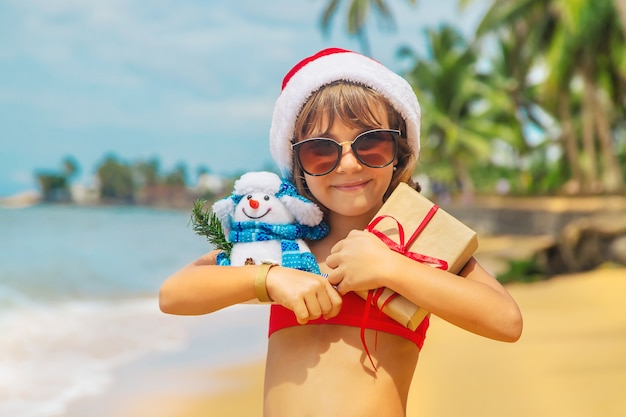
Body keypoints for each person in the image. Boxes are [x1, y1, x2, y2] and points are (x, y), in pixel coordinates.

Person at [159, 47, 523, 417]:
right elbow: (174, 294)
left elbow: (506, 321)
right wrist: (270, 279)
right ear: (297, 162)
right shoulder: (286, 243)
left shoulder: (416, 239)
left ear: (399, 150)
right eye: (321, 150)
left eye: (371, 144)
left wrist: (391, 268)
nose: (348, 164)